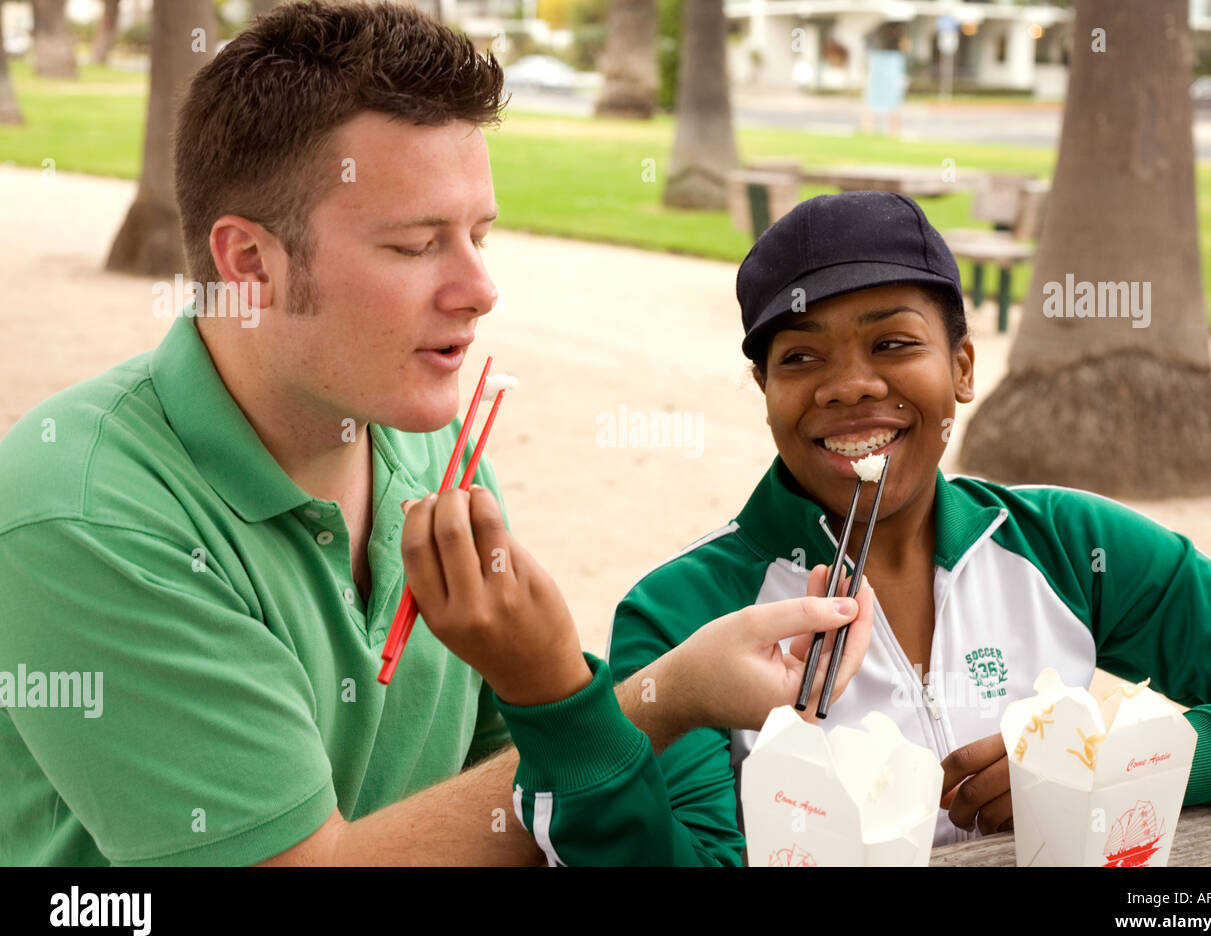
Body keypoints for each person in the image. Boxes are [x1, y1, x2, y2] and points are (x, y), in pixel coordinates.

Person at [0, 1, 871, 866]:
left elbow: (505, 769)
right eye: (418, 245)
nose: (481, 288)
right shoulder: (82, 514)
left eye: (479, 235)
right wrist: (661, 696)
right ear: (249, 264)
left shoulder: (424, 449)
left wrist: (577, 698)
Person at [506, 190, 1211, 865]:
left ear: (962, 367)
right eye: (801, 359)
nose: (850, 386)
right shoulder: (684, 609)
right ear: (764, 387)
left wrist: (1117, 763)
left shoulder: (1068, 543)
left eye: (892, 343)